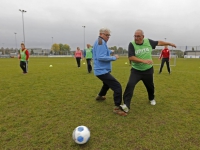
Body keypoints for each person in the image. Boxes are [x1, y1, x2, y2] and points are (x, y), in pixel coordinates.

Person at [120, 29, 176, 112]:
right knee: (130, 85)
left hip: (148, 70)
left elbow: (159, 42)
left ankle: (151, 98)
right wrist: (144, 61)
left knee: (150, 86)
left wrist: (169, 43)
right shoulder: (132, 44)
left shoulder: (148, 41)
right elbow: (131, 57)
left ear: (143, 36)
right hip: (136, 70)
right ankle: (126, 105)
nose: (136, 38)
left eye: (138, 36)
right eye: (135, 36)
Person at [93, 28, 127, 116]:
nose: (108, 37)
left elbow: (101, 52)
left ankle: (100, 96)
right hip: (101, 71)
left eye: (109, 35)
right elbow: (100, 57)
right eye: (106, 35)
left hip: (101, 70)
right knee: (117, 86)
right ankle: (117, 108)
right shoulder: (101, 42)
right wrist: (114, 57)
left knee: (107, 83)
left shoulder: (100, 41)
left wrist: (110, 51)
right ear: (101, 34)